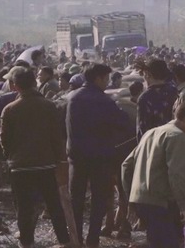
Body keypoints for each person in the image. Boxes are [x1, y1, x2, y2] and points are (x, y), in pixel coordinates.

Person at [0, 69, 71, 248]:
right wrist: (60, 160)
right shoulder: (48, 106)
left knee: (24, 208)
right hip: (46, 164)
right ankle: (64, 240)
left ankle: (27, 242)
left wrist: (12, 157)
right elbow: (57, 136)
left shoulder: (9, 109)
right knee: (54, 204)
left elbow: (4, 139)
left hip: (20, 167)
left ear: (15, 86)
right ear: (34, 83)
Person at [66, 63, 133, 247]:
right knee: (99, 199)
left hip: (76, 157)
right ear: (98, 78)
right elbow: (123, 122)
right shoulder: (104, 101)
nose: (107, 82)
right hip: (100, 157)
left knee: (76, 199)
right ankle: (93, 238)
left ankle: (76, 238)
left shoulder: (73, 98)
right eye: (106, 78)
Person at [122, 102, 185, 248]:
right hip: (160, 202)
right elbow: (177, 173)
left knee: (156, 241)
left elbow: (126, 166)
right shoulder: (177, 136)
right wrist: (184, 207)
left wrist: (131, 198)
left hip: (142, 201)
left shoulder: (151, 133)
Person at [136, 59, 178, 141]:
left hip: (155, 144)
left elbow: (142, 130)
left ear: (148, 75)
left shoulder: (145, 98)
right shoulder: (173, 90)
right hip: (174, 139)